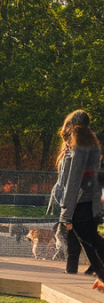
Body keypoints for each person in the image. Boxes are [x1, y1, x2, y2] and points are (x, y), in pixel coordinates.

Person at [52, 110, 104, 290]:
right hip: (87, 202)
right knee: (89, 242)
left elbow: (74, 182)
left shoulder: (78, 150)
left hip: (79, 203)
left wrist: (66, 214)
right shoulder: (91, 146)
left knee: (91, 241)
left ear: (72, 126)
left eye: (67, 124)